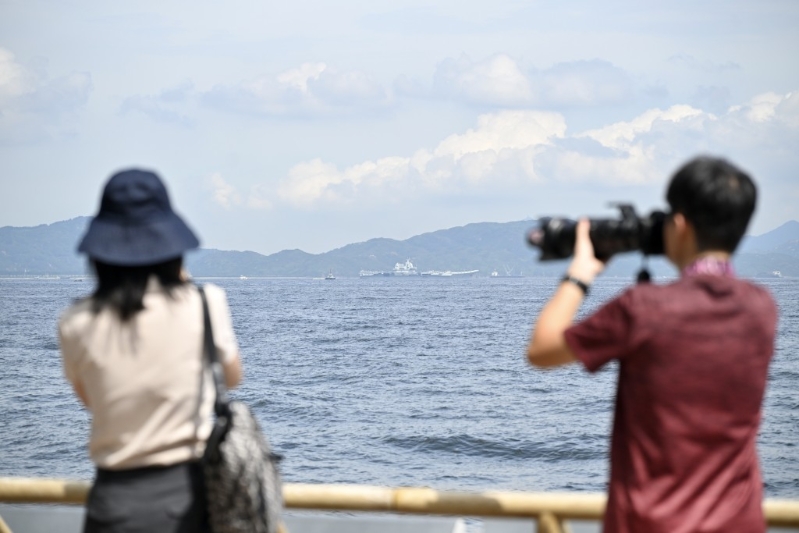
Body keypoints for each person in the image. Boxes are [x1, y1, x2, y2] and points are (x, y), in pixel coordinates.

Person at [526, 156, 776, 533]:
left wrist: (580, 273)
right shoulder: (762, 308)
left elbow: (542, 350)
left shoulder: (643, 308)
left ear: (679, 224)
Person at [58, 169, 243, 533]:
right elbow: (233, 377)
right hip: (190, 499)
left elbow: (93, 399)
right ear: (170, 245)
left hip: (112, 502)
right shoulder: (205, 303)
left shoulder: (75, 321)